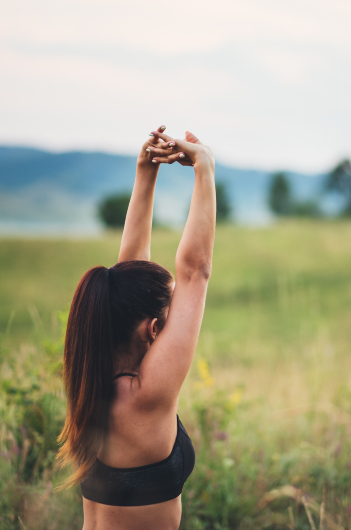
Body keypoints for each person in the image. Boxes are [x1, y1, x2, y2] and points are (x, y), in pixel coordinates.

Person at [56, 126, 216, 530]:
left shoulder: (93, 375)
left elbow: (127, 270)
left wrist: (147, 170)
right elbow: (195, 271)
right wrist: (204, 166)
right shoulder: (145, 395)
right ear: (153, 329)